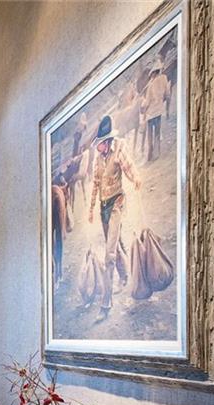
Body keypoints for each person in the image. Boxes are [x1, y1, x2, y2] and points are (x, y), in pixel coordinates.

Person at [88, 115, 140, 320]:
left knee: (109, 254)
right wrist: (91, 208)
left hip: (117, 203)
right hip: (103, 207)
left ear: (106, 142)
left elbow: (129, 166)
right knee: (115, 244)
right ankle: (125, 275)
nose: (97, 148)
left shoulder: (119, 148)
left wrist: (136, 178)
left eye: (99, 145)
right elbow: (95, 182)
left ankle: (106, 303)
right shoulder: (98, 158)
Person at [141, 60, 171, 162]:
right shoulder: (164, 78)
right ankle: (157, 154)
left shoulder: (151, 85)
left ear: (154, 73)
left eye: (151, 74)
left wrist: (143, 108)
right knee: (157, 133)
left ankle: (149, 155)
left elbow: (147, 101)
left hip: (151, 114)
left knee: (149, 136)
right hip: (159, 111)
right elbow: (167, 94)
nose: (151, 76)